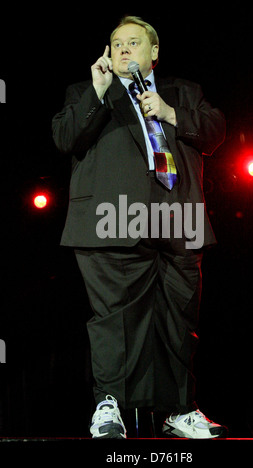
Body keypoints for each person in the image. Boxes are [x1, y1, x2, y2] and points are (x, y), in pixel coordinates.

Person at [52, 15, 226, 439]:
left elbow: (215, 131)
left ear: (154, 53)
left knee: (179, 319)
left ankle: (180, 410)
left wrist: (169, 113)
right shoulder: (87, 92)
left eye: (134, 42)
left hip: (176, 218)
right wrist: (97, 91)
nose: (124, 49)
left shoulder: (184, 92)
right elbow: (64, 137)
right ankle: (108, 407)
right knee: (114, 320)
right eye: (116, 44)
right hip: (112, 221)